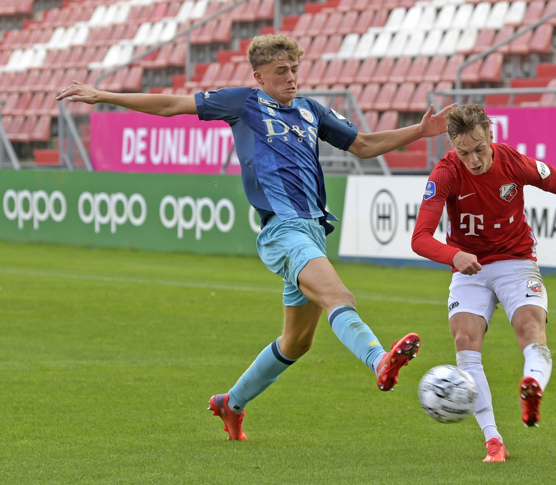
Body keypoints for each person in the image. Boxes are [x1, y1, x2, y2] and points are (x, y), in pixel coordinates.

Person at [58, 33, 456, 441]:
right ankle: (379, 361)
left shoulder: (311, 110)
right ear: (259, 76)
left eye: (294, 69)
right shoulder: (242, 102)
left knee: (297, 342)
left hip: (313, 231)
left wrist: (420, 130)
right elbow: (169, 105)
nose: (291, 78)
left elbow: (364, 145)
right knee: (340, 297)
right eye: (281, 71)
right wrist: (102, 95)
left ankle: (230, 404)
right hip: (282, 231)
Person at [410, 104, 556, 462]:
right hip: (469, 267)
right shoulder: (445, 173)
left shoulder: (515, 163)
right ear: (453, 147)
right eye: (464, 153)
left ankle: (532, 387)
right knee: (464, 340)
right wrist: (453, 255)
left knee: (530, 328)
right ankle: (493, 441)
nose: (473, 160)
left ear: (490, 136)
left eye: (479, 149)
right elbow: (420, 238)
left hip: (516, 261)